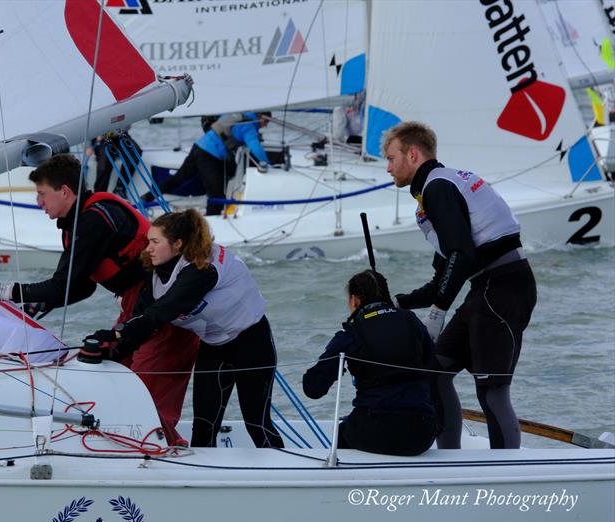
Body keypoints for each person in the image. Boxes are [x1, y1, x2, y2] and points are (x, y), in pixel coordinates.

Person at [0, 154, 198, 446]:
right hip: (138, 307)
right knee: (113, 371)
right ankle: (132, 441)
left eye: (42, 194)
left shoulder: (94, 220)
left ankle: (160, 449)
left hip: (162, 312)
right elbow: (81, 288)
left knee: (145, 390)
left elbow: (60, 286)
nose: (39, 202)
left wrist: (5, 291)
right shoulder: (78, 222)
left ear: (64, 191)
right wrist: (42, 303)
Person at [382, 121, 537, 449]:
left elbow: (461, 255)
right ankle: (449, 458)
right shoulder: (437, 189)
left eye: (391, 157)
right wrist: (397, 302)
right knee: (434, 371)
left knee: (491, 389)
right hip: (484, 289)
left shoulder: (438, 188)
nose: (387, 167)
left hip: (505, 287)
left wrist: (438, 311)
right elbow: (446, 273)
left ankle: (505, 475)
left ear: (412, 154)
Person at [87, 209, 284, 448]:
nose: (147, 248)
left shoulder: (203, 269)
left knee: (256, 423)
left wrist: (118, 333)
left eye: (155, 242)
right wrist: (113, 350)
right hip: (214, 348)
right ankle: (204, 481)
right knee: (203, 426)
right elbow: (140, 319)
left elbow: (163, 312)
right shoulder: (158, 273)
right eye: (148, 241)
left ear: (178, 244)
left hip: (252, 344)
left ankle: (289, 480)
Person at [302, 270, 438, 456]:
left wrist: (339, 364)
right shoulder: (410, 320)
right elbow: (433, 365)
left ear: (355, 300)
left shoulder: (351, 334)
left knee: (341, 434)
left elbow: (313, 389)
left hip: (378, 430)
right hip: (422, 433)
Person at [145, 112, 272, 215]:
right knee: (216, 195)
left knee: (178, 179)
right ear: (260, 116)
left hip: (199, 147)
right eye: (266, 122)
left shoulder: (239, 115)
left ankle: (146, 197)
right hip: (209, 156)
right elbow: (255, 147)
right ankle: (212, 225)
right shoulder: (249, 125)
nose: (265, 126)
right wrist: (267, 165)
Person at [88, 130, 142, 198]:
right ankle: (100, 194)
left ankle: (120, 189)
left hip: (120, 135)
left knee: (135, 151)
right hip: (103, 138)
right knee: (105, 156)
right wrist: (89, 145)